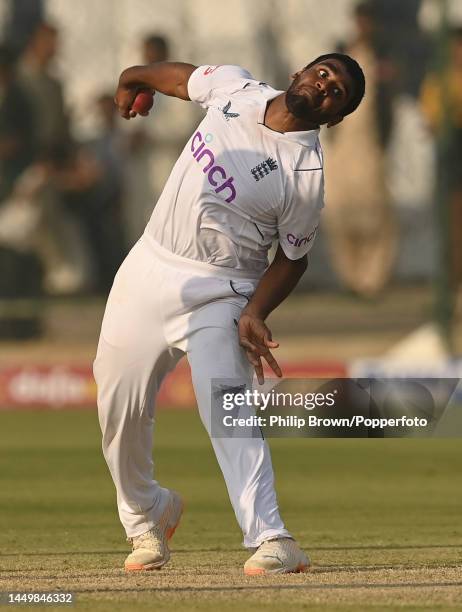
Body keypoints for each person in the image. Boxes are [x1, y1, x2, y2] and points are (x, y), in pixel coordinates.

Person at [94, 54, 365, 575]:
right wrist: (131, 78)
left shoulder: (304, 174)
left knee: (227, 405)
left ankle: (272, 538)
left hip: (221, 290)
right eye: (324, 73)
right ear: (300, 74)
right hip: (149, 266)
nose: (326, 85)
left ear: (333, 117)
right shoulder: (236, 88)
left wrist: (256, 311)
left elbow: (293, 259)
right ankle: (147, 513)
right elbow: (177, 79)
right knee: (116, 408)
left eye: (338, 92)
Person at [324, 0, 397, 298]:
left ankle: (373, 281)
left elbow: (389, 98)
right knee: (339, 211)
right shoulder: (341, 52)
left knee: (375, 213)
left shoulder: (384, 54)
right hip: (342, 141)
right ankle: (351, 279)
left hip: (371, 142)